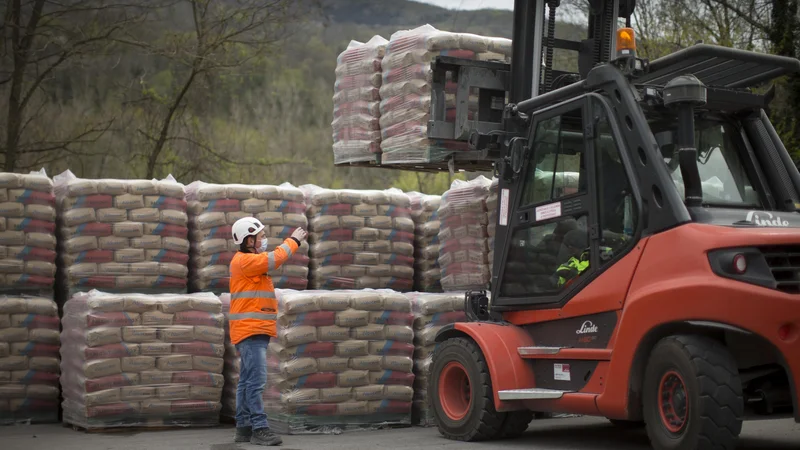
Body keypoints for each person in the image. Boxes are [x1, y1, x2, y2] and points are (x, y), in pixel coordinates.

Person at [228, 217, 307, 446]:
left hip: (252, 331)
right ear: (249, 240)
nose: (264, 241)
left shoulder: (247, 261)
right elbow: (275, 259)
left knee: (246, 382)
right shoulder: (245, 261)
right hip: (250, 331)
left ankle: (243, 428)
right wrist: (293, 240)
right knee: (256, 382)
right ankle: (259, 428)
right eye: (261, 237)